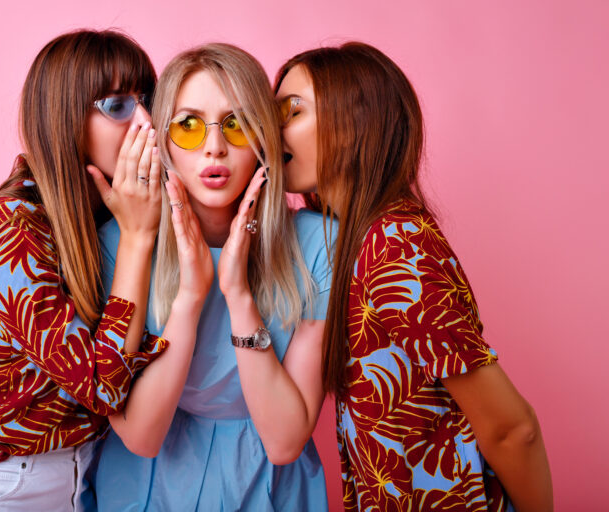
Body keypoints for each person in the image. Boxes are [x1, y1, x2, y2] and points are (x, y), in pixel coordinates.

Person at [274, 42, 553, 511]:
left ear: (355, 121)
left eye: (292, 110)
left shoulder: (398, 245)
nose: (273, 129)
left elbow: (512, 429)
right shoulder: (353, 240)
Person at [0, 30, 168, 511]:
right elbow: (102, 386)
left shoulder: (101, 220)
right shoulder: (10, 227)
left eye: (148, 100)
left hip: (76, 485)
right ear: (65, 117)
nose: (146, 122)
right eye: (117, 106)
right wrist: (138, 239)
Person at [89, 43, 332, 511]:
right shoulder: (116, 245)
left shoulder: (319, 242)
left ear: (264, 135)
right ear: (160, 140)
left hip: (273, 487)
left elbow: (285, 442)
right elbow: (141, 434)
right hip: (147, 485)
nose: (214, 147)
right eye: (189, 125)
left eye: (237, 124)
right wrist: (190, 298)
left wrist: (238, 295)